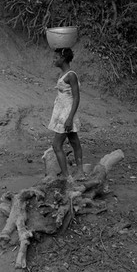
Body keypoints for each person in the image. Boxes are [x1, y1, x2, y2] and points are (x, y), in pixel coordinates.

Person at [48, 48, 84, 180]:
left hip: (67, 113)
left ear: (63, 59)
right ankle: (80, 172)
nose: (54, 60)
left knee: (56, 145)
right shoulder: (64, 74)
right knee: (74, 141)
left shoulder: (71, 75)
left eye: (56, 57)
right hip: (64, 112)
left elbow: (76, 98)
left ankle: (66, 176)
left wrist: (69, 118)